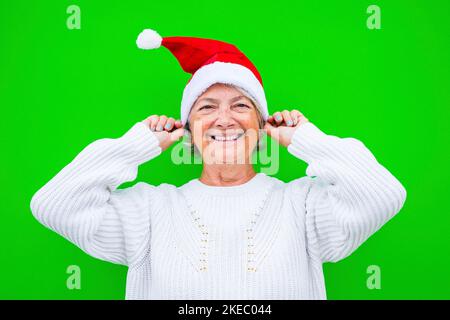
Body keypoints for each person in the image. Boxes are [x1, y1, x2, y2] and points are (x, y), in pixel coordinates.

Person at [30, 29, 406, 299]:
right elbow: (53, 205)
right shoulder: (149, 210)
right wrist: (135, 145)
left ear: (261, 128)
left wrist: (309, 140)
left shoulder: (304, 205)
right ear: (189, 131)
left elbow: (384, 195)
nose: (224, 119)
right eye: (207, 107)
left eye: (241, 106)